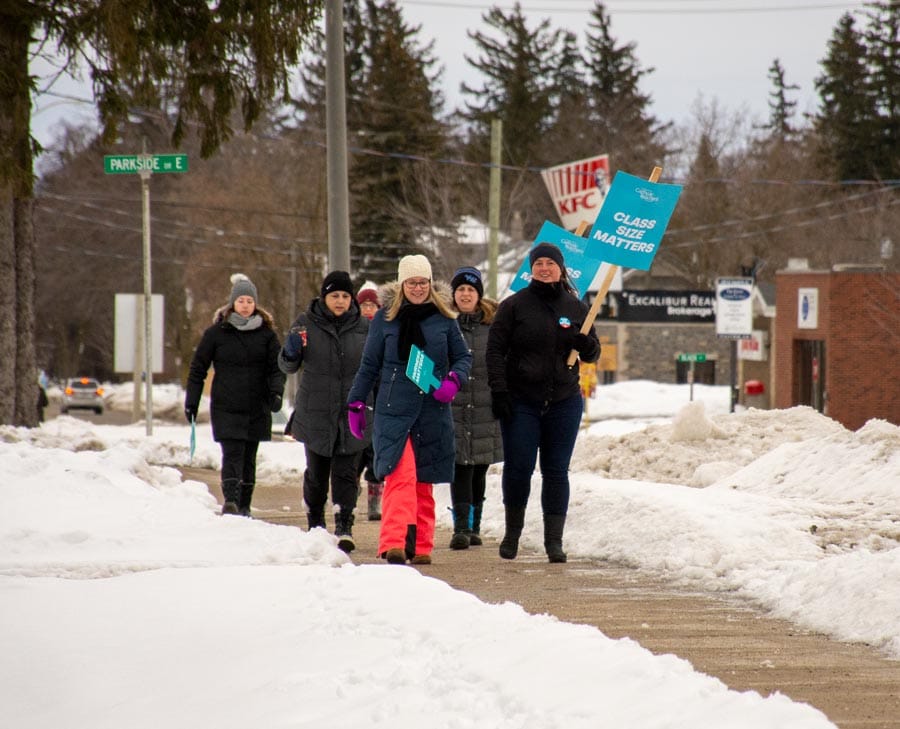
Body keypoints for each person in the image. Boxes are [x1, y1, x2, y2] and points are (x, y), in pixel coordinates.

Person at [347, 254, 472, 565]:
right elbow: (369, 365)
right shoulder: (385, 319)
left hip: (432, 409)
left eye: (423, 282)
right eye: (412, 282)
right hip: (394, 408)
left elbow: (463, 358)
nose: (418, 288)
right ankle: (394, 543)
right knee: (400, 475)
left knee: (423, 480)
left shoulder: (445, 318)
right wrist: (356, 401)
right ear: (402, 284)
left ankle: (422, 546)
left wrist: (454, 381)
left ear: (430, 284)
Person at [486, 243, 601, 563]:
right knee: (519, 468)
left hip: (563, 402)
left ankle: (554, 541)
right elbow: (494, 352)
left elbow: (593, 354)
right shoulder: (513, 306)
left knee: (556, 471)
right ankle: (512, 535)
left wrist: (585, 344)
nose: (545, 268)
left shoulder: (577, 308)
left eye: (551, 263)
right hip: (522, 401)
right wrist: (500, 391)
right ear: (531, 268)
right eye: (539, 263)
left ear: (562, 269)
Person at [279, 271, 370, 553]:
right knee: (317, 473)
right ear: (324, 297)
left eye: (345, 295)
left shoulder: (364, 327)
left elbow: (375, 366)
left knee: (346, 473)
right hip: (316, 410)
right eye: (334, 296)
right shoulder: (305, 324)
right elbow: (287, 367)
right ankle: (315, 522)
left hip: (352, 411)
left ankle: (345, 525)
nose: (340, 301)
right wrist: (291, 352)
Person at [185, 273, 286, 516]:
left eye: (249, 301)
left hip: (256, 405)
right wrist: (192, 401)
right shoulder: (216, 333)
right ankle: (230, 500)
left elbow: (277, 368)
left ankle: (245, 506)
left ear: (255, 305)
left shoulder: (267, 335)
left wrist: (276, 393)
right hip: (226, 404)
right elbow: (198, 368)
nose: (245, 305)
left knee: (249, 456)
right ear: (232, 304)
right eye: (241, 301)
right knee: (232, 453)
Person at [447, 266, 503, 550]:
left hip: (484, 407)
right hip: (453, 407)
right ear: (453, 295)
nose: (466, 294)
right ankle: (460, 527)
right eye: (461, 290)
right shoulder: (444, 323)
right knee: (458, 468)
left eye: (471, 289)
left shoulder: (493, 327)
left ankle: (475, 525)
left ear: (478, 295)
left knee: (479, 469)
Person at [354, 286, 385, 521]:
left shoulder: (384, 331)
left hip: (380, 400)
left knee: (376, 458)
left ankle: (375, 503)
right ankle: (349, 499)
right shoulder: (352, 331)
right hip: (357, 400)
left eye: (371, 305)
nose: (367, 309)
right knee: (353, 455)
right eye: (363, 305)